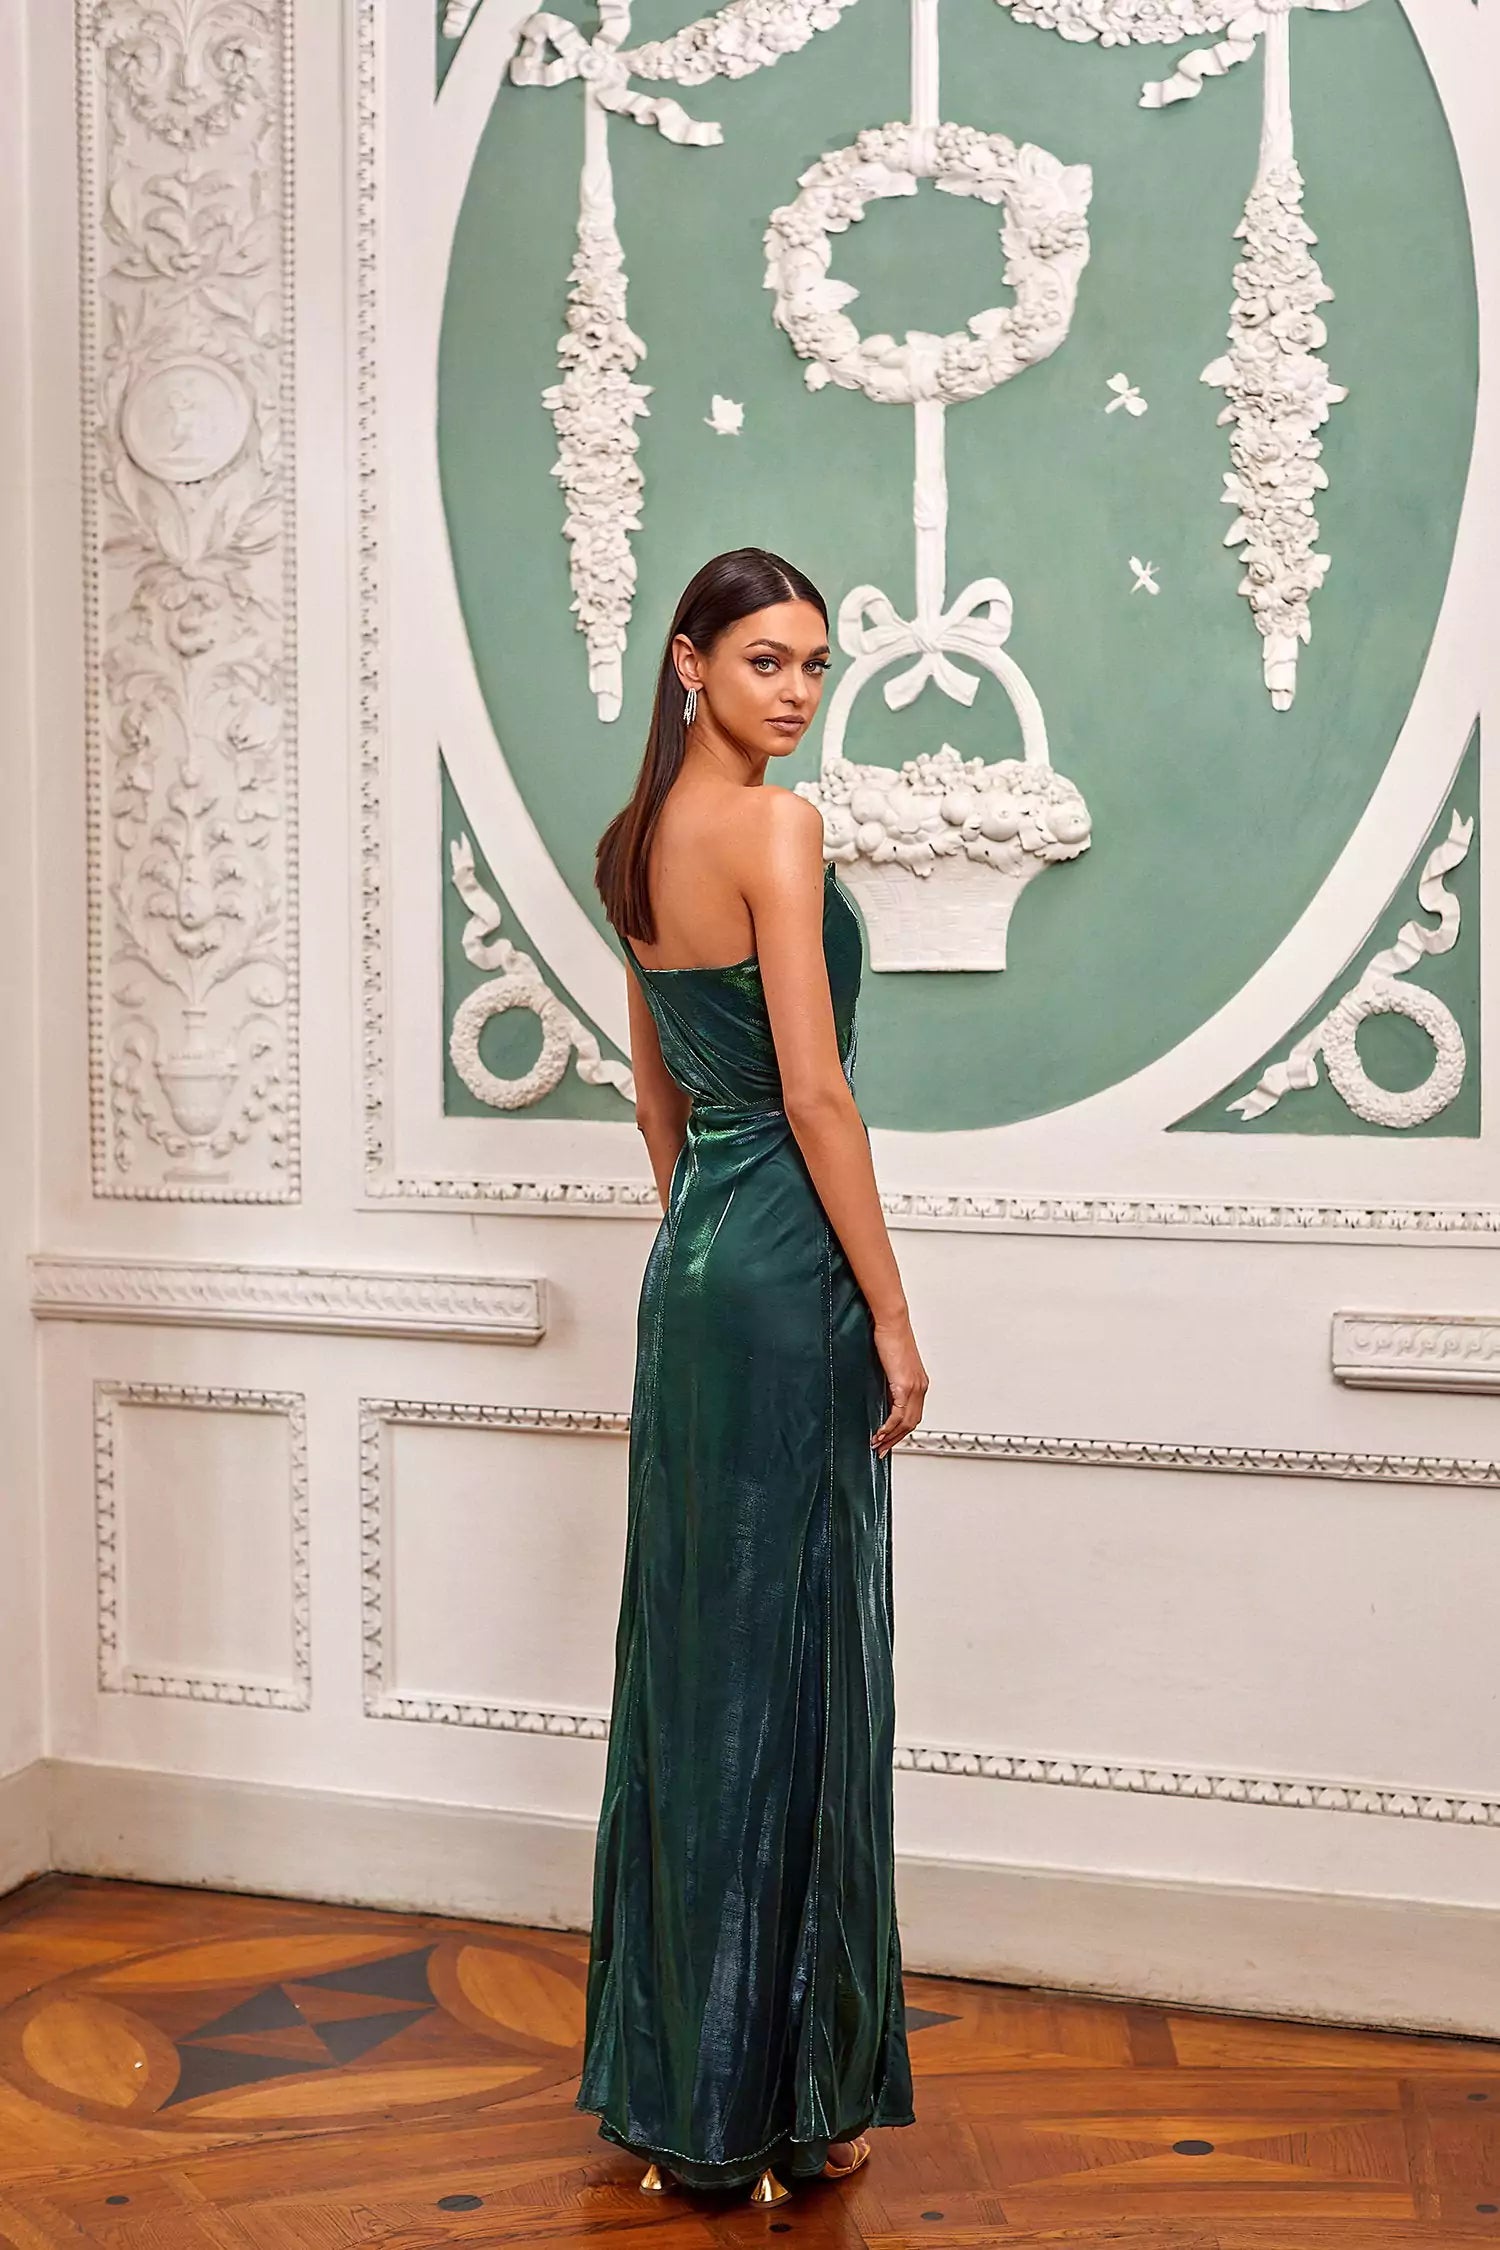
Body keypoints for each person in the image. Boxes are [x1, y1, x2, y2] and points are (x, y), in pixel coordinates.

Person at [578, 547, 928, 2205]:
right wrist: (893, 1311)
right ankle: (793, 2108)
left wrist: (701, 1254)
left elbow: (660, 1104)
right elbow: (818, 1096)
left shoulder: (632, 847)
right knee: (792, 1667)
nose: (797, 692)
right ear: (688, 661)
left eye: (817, 666)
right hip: (791, 1281)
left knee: (698, 1675)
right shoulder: (780, 832)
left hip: (694, 1276)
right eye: (770, 661)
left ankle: (683, 2108)